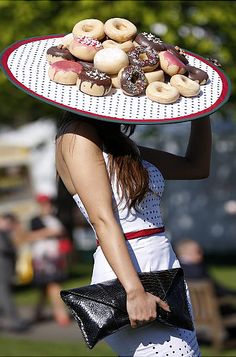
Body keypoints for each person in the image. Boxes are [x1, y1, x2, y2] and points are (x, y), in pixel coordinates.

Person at [55, 111, 212, 356]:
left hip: (167, 272)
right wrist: (134, 290)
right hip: (128, 276)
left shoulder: (120, 143)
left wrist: (202, 111)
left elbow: (197, 167)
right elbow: (102, 219)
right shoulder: (77, 132)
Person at [29, 194, 71, 326]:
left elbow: (62, 232)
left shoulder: (54, 218)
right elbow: (29, 236)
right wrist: (49, 232)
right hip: (43, 258)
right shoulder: (35, 220)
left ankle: (38, 313)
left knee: (45, 287)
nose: (47, 207)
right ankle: (61, 314)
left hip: (56, 256)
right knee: (53, 285)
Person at [175, 239, 236, 313]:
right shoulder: (199, 270)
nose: (202, 253)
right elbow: (218, 289)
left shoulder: (174, 271)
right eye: (198, 251)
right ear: (187, 253)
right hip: (210, 313)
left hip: (187, 314)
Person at [0, 213, 29, 332]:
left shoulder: (4, 234)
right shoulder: (3, 234)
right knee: (5, 294)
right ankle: (16, 322)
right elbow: (4, 248)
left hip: (5, 267)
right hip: (3, 267)